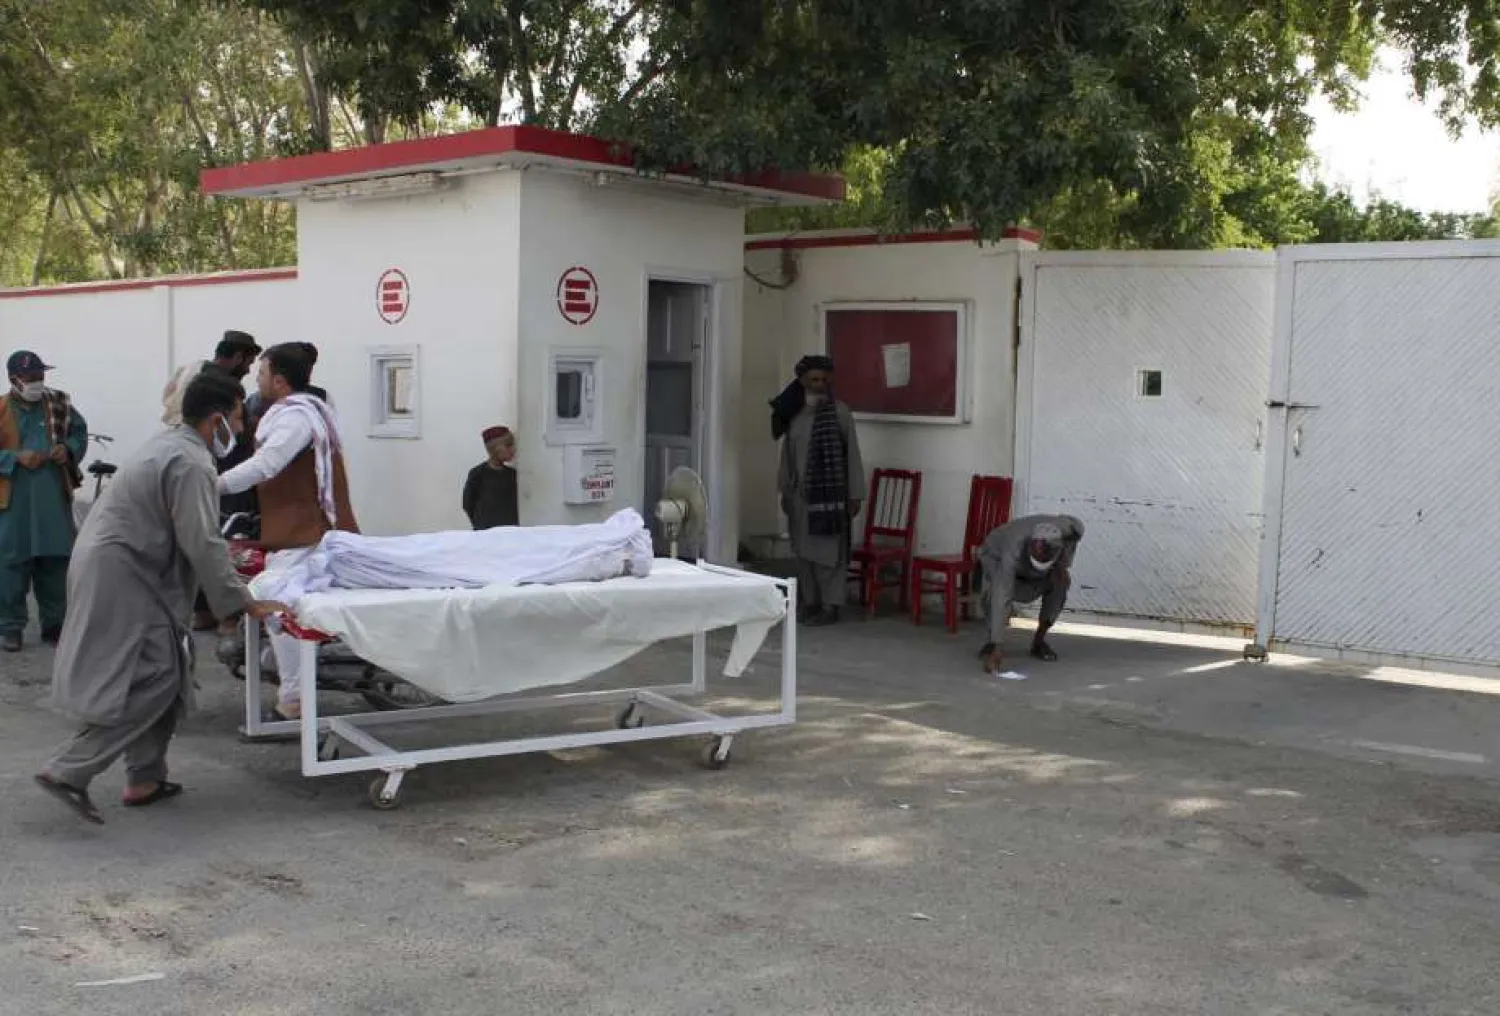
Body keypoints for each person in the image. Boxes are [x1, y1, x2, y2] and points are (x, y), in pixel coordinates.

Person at [35, 374, 290, 824]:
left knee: (169, 668)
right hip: (125, 573)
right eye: (236, 418)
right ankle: (69, 769)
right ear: (216, 420)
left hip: (126, 566)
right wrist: (242, 601)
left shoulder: (176, 446)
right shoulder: (191, 462)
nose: (241, 429)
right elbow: (204, 541)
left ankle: (146, 779)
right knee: (157, 679)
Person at [218, 342, 359, 722]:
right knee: (282, 606)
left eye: (261, 373)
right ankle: (293, 692)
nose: (256, 378)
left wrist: (213, 484)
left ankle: (295, 699)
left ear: (279, 381)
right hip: (298, 525)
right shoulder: (307, 409)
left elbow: (266, 464)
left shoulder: (295, 417)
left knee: (278, 607)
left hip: (303, 527)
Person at [161, 330, 264, 630]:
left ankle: (202, 610)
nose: (249, 370)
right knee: (223, 541)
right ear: (238, 357)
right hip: (223, 476)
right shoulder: (222, 387)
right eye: (248, 362)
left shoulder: (190, 373)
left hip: (206, 468)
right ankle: (227, 614)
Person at [0, 350, 88, 653]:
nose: (38, 382)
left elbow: (78, 432)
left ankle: (55, 624)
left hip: (52, 497)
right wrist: (13, 457)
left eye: (40, 376)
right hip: (13, 504)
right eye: (31, 377)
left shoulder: (58, 404)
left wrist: (68, 448)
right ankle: (11, 628)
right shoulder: (0, 409)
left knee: (55, 563)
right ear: (14, 380)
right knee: (11, 566)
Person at [772, 354, 865, 626]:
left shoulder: (840, 413)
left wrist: (855, 494)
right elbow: (786, 457)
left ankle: (830, 606)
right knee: (803, 552)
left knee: (829, 555)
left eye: (823, 379)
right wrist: (785, 492)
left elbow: (853, 456)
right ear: (802, 381)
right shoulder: (795, 415)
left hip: (832, 499)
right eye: (813, 379)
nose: (819, 384)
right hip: (801, 497)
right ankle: (810, 602)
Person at [976, 515, 1085, 672]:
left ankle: (1039, 642)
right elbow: (1003, 595)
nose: (1042, 556)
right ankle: (992, 643)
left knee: (1060, 583)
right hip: (996, 557)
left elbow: (1076, 533)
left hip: (1042, 565)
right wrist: (998, 646)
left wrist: (1063, 565)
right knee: (995, 593)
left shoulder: (1069, 530)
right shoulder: (1012, 549)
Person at [159, 330, 261, 426]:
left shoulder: (188, 369)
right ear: (238, 357)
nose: (248, 371)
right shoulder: (225, 386)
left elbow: (167, 400)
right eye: (249, 364)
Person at [462, 426, 519, 530]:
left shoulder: (513, 474)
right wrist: (480, 523)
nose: (513, 449)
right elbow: (467, 503)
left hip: (510, 531)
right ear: (495, 449)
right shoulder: (477, 474)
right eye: (508, 446)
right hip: (485, 531)